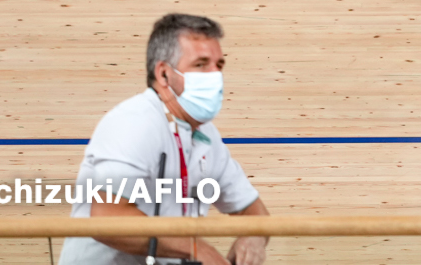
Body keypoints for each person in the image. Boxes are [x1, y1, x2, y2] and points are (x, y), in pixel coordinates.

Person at [58, 14, 271, 265]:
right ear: (163, 74)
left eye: (219, 65)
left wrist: (253, 236)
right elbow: (108, 218)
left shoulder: (207, 136)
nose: (215, 75)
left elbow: (253, 210)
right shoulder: (133, 122)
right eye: (201, 64)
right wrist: (196, 248)